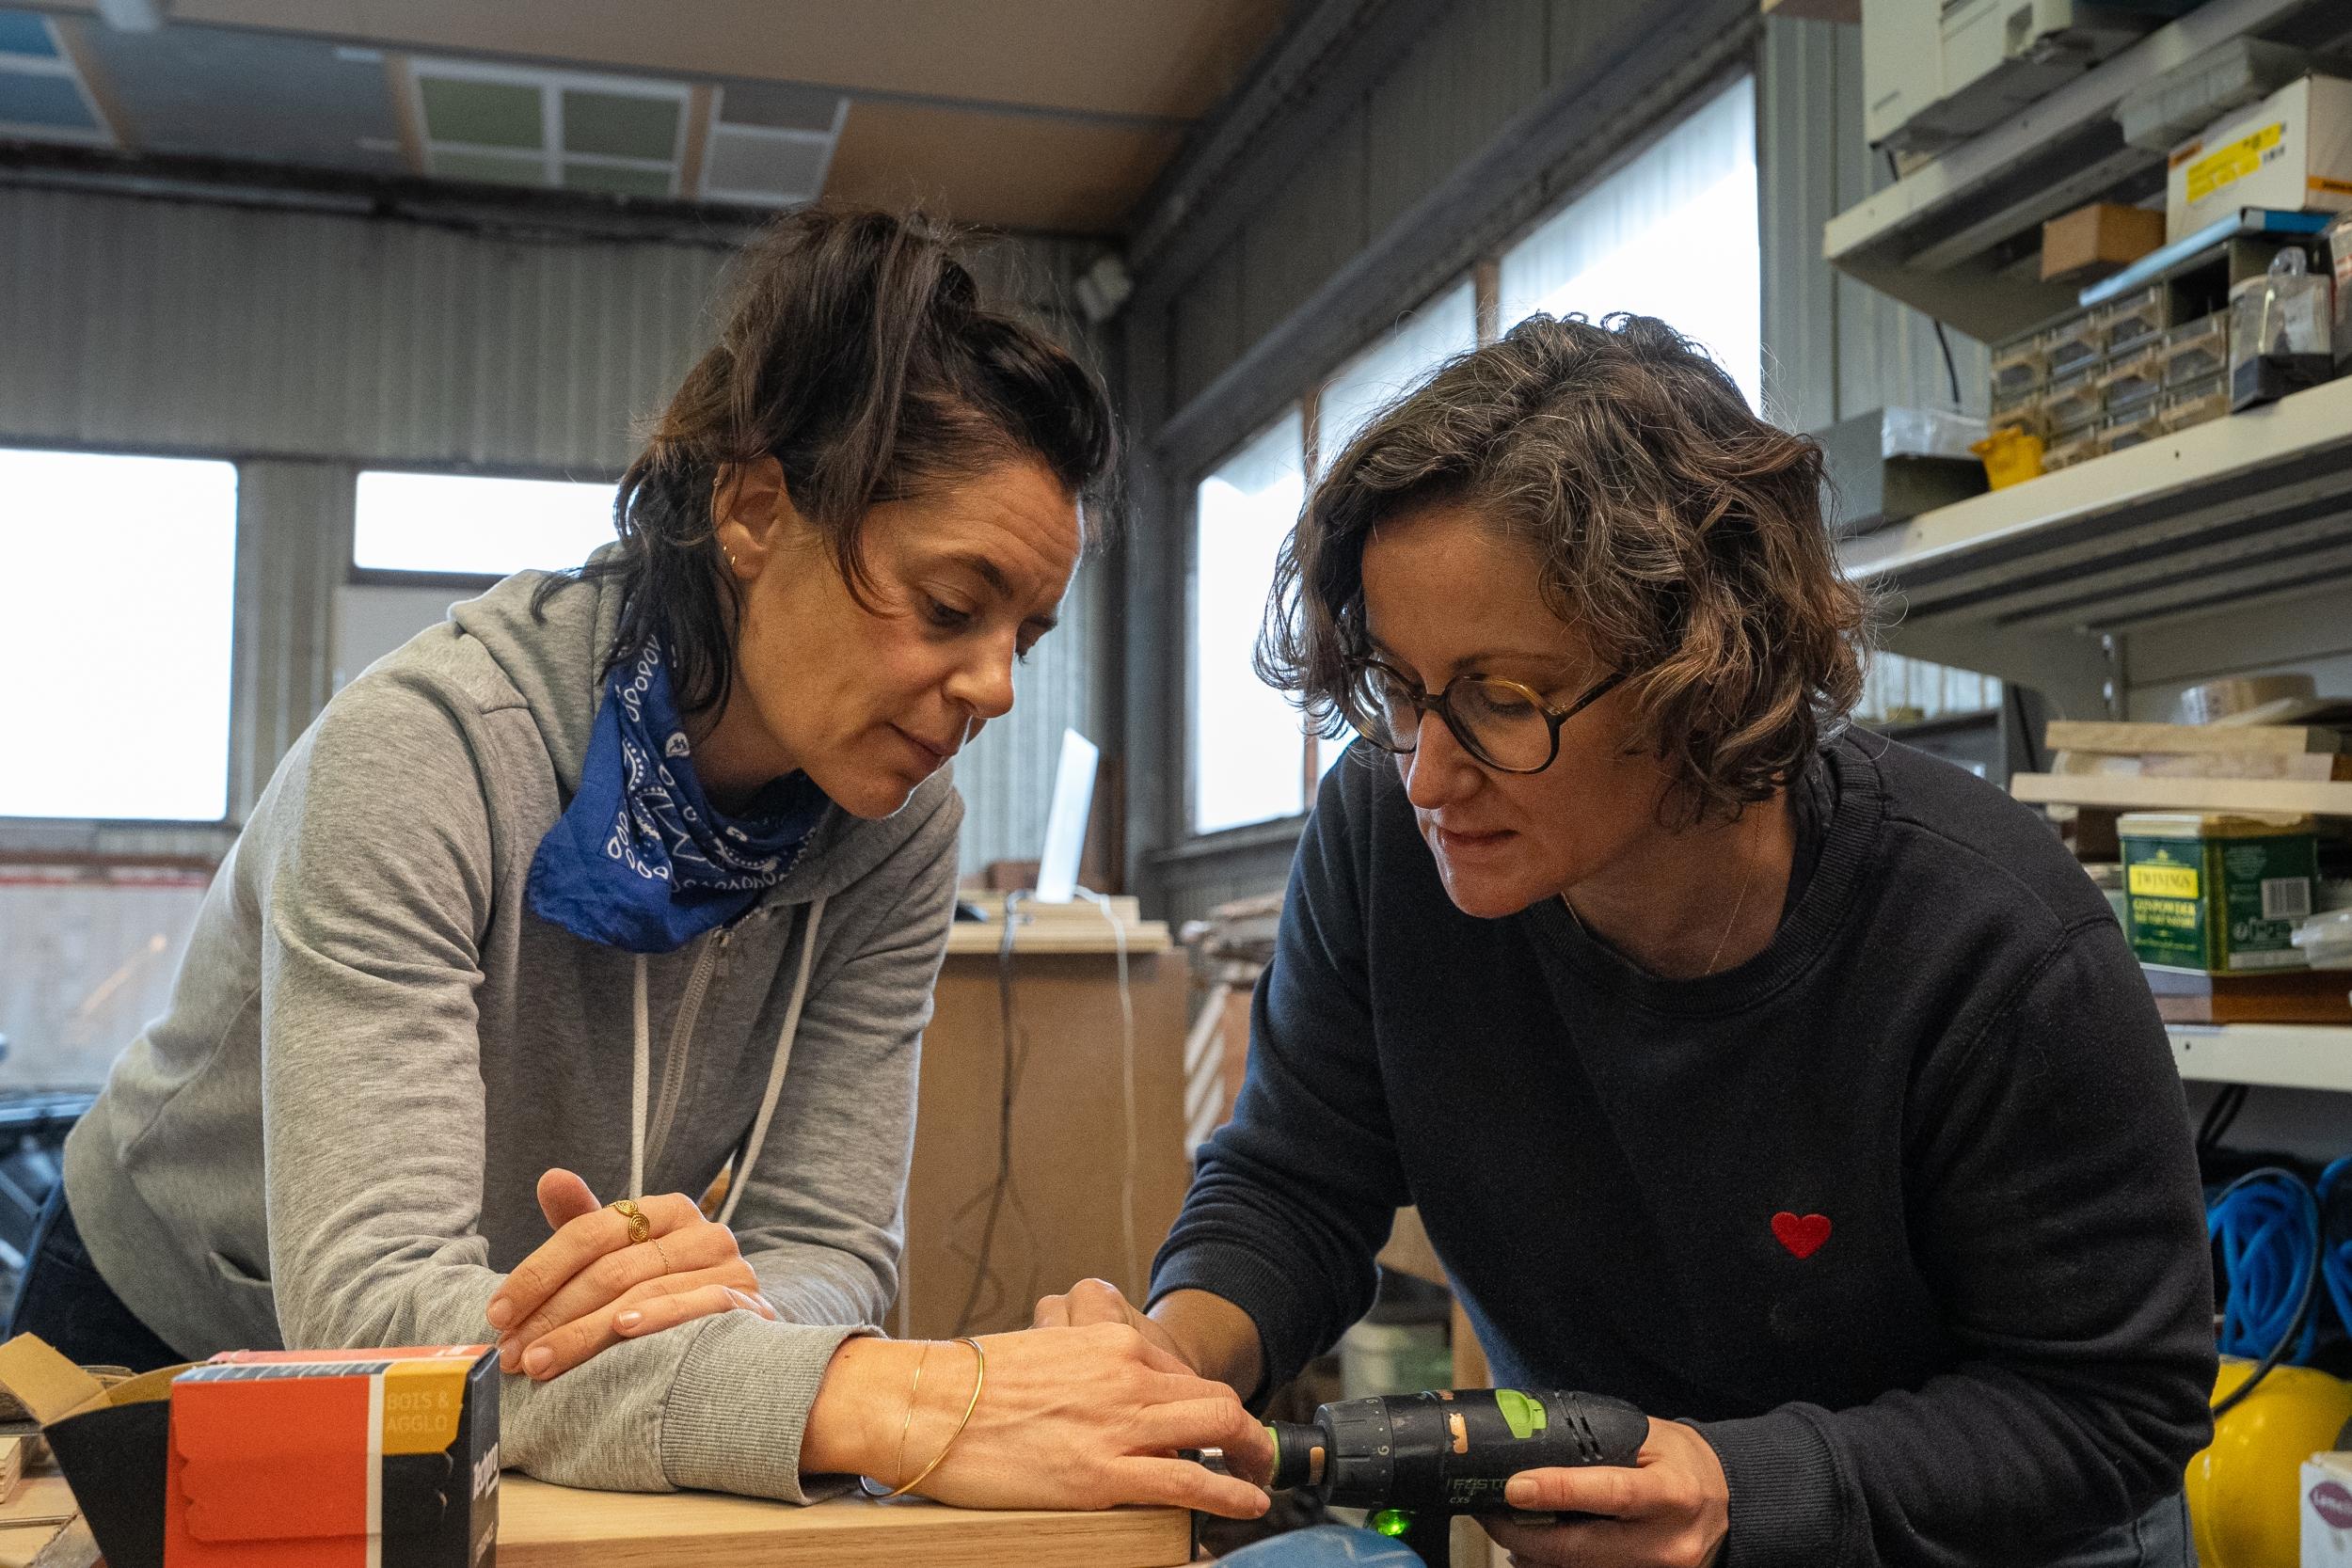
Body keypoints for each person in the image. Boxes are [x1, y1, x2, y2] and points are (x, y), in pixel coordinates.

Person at [12, 206, 1268, 1519]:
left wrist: (711, 1309)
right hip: (172, 1331)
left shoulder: (899, 831)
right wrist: (892, 1399)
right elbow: (372, 1312)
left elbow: (831, 1243)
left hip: (527, 1360)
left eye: (1029, 632)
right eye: (954, 607)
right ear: (751, 506)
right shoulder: (425, 756)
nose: (997, 686)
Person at [1037, 313, 2217, 1565]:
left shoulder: (1995, 940)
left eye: (1502, 699)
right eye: (1398, 691)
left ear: (1704, 674)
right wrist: (1168, 1357)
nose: (1430, 773)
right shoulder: (1386, 844)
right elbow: (1294, 1177)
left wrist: (1740, 1484)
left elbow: (2118, 1408)